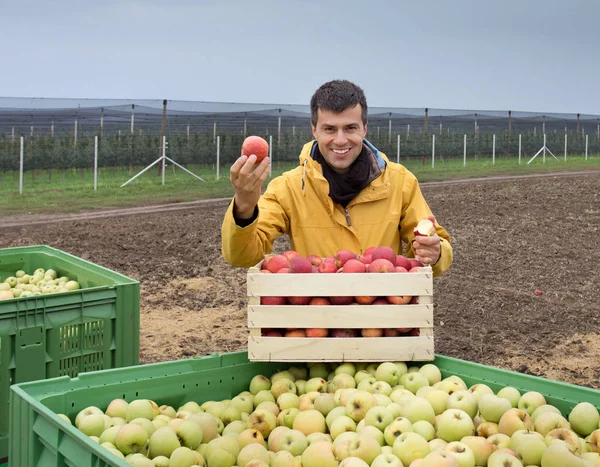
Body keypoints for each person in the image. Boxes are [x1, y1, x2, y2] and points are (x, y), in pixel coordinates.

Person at [221, 79, 452, 276]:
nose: (340, 140)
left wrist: (435, 252)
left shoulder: (400, 182)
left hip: (381, 317)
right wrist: (244, 206)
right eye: (330, 129)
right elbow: (243, 256)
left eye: (350, 128)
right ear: (314, 129)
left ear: (364, 129)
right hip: (317, 318)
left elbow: (434, 248)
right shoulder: (288, 188)